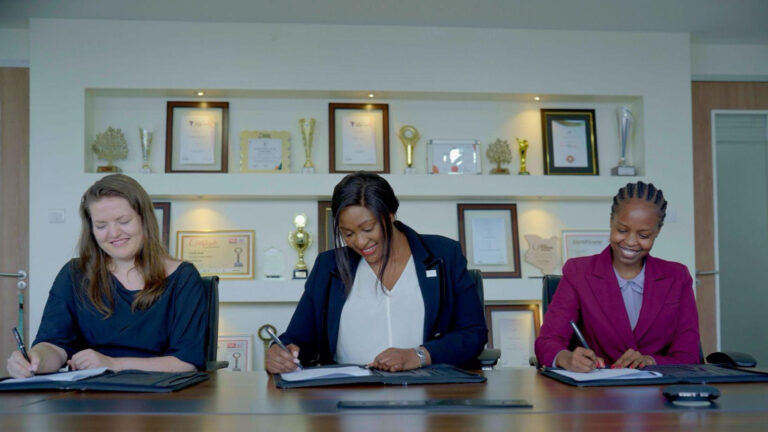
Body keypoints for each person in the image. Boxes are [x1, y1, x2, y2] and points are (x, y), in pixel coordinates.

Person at [266, 172, 487, 374]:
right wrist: (279, 352)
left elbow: (473, 333)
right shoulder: (328, 267)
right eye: (348, 233)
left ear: (390, 214)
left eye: (368, 229)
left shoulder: (444, 255)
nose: (360, 242)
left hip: (428, 395)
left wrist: (419, 355)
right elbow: (296, 338)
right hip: (344, 398)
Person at [6, 174, 208, 378]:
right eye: (101, 226)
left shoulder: (183, 277)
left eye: (124, 221)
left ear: (144, 219)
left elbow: (186, 362)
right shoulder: (74, 274)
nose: (113, 233)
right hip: (88, 396)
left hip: (158, 395)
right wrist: (35, 360)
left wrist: (113, 363)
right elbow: (55, 345)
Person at [535, 181, 700, 372]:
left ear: (657, 233)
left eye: (644, 235)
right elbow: (547, 342)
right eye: (622, 230)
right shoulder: (578, 272)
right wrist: (565, 358)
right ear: (611, 221)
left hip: (659, 394)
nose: (630, 241)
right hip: (597, 394)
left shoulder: (677, 277)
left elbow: (689, 355)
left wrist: (652, 361)